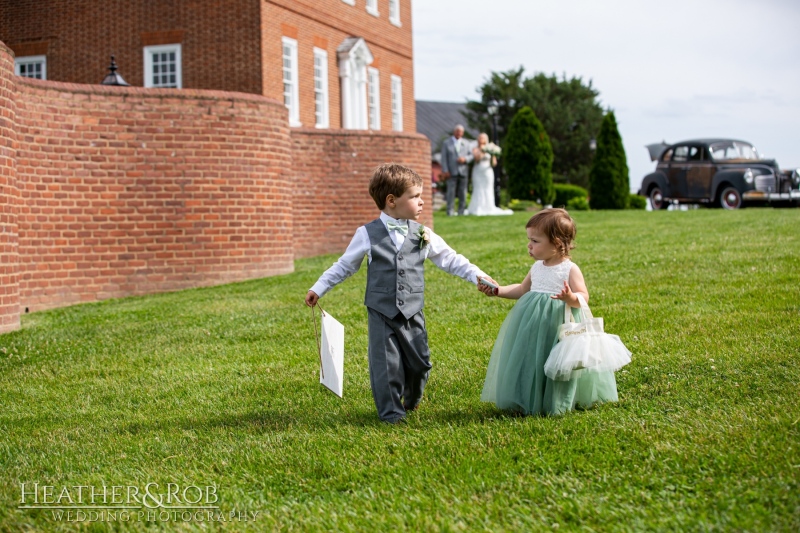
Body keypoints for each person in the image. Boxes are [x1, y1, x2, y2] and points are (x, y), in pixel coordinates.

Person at [305, 163, 496, 424]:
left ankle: (412, 398)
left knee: (421, 363)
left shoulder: (423, 234)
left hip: (412, 310)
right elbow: (344, 265)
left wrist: (478, 275)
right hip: (381, 311)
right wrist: (319, 287)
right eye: (415, 196)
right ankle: (391, 414)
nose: (421, 202)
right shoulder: (366, 234)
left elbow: (451, 259)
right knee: (386, 367)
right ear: (392, 201)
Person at [477, 208, 619, 415]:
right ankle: (527, 398)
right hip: (533, 323)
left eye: (535, 241)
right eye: (529, 240)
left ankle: (557, 403)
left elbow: (584, 296)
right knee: (532, 359)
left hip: (558, 322)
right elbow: (523, 289)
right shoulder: (537, 268)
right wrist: (498, 290)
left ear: (557, 244)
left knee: (560, 362)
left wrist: (570, 298)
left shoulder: (570, 269)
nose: (529, 245)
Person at [467, 133, 513, 216]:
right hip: (478, 171)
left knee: (488, 188)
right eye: (480, 138)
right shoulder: (475, 149)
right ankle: (478, 207)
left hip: (487, 171)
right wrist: (482, 150)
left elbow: (493, 163)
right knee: (478, 188)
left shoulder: (491, 148)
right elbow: (477, 160)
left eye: (483, 138)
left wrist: (492, 154)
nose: (481, 139)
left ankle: (488, 207)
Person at [440, 125, 473, 216]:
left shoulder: (466, 143)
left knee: (463, 192)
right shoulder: (447, 143)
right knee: (451, 192)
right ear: (454, 132)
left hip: (463, 171)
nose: (459, 133)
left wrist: (465, 159)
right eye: (457, 131)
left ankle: (461, 211)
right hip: (451, 171)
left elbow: (471, 156)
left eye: (460, 131)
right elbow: (444, 158)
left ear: (462, 133)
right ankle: (450, 211)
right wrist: (445, 170)